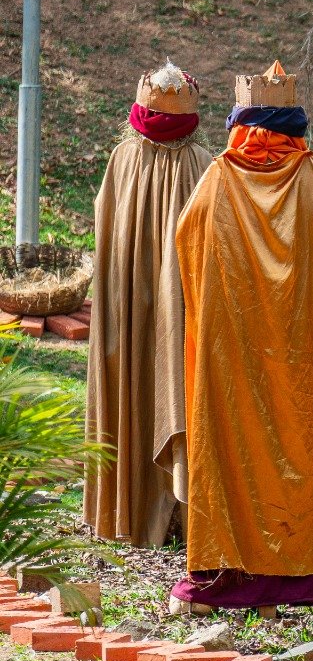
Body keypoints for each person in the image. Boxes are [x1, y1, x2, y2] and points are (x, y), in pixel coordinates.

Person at [171, 62, 313, 612]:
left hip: (237, 359)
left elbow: (188, 244)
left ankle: (233, 572)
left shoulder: (218, 183)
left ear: (240, 126)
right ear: (297, 127)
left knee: (236, 447)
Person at [85, 61, 213, 547]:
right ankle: (179, 513)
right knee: (176, 375)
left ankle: (124, 511)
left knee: (131, 374)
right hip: (179, 306)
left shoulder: (123, 159)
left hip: (128, 303)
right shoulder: (203, 164)